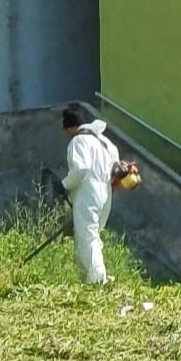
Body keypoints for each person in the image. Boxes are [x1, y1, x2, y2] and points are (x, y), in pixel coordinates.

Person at [61, 104, 119, 285]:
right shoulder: (105, 142)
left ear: (70, 127)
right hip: (106, 192)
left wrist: (64, 184)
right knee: (93, 234)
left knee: (87, 235)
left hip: (89, 192)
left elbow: (80, 168)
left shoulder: (78, 141)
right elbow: (116, 166)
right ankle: (90, 275)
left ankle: (97, 280)